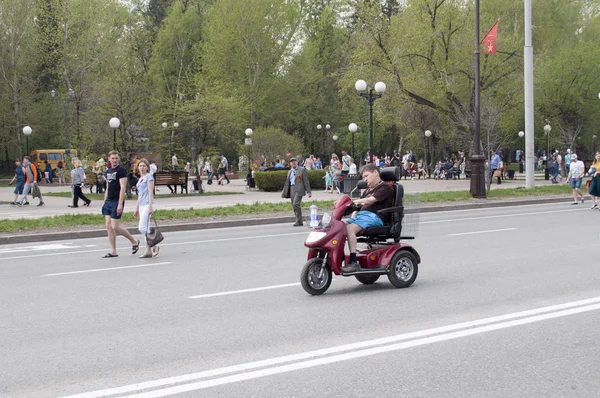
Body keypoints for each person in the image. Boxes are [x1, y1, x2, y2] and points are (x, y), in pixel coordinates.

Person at [341, 164, 393, 273]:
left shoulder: (385, 187)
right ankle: (340, 256)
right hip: (363, 216)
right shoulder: (367, 190)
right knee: (339, 227)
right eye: (363, 177)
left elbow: (370, 200)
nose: (365, 179)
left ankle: (353, 262)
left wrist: (351, 201)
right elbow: (359, 206)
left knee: (350, 229)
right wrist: (353, 214)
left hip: (375, 216)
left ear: (375, 173)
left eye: (366, 176)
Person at [101, 150, 139, 258]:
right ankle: (113, 250)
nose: (114, 160)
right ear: (109, 159)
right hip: (109, 201)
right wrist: (104, 201)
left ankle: (134, 241)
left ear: (119, 159)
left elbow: (123, 187)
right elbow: (108, 187)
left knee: (115, 226)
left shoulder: (121, 170)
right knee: (108, 226)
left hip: (116, 201)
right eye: (112, 158)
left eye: (116, 158)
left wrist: (120, 203)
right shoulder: (108, 171)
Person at [133, 159, 160, 258]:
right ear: (138, 167)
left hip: (147, 204)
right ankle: (149, 249)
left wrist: (150, 206)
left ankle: (153, 245)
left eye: (144, 166)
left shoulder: (149, 177)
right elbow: (139, 195)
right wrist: (136, 208)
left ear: (147, 167)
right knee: (146, 228)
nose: (142, 167)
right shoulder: (140, 179)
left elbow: (150, 191)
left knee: (142, 227)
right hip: (141, 205)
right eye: (140, 166)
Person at [281, 157, 312, 226]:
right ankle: (299, 220)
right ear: (290, 163)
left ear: (297, 162)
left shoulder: (302, 170)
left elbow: (306, 181)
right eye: (292, 162)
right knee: (293, 205)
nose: (293, 163)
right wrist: (284, 191)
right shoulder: (290, 171)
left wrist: (309, 191)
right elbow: (287, 182)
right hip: (292, 188)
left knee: (296, 204)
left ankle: (299, 220)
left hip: (299, 188)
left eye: (294, 161)